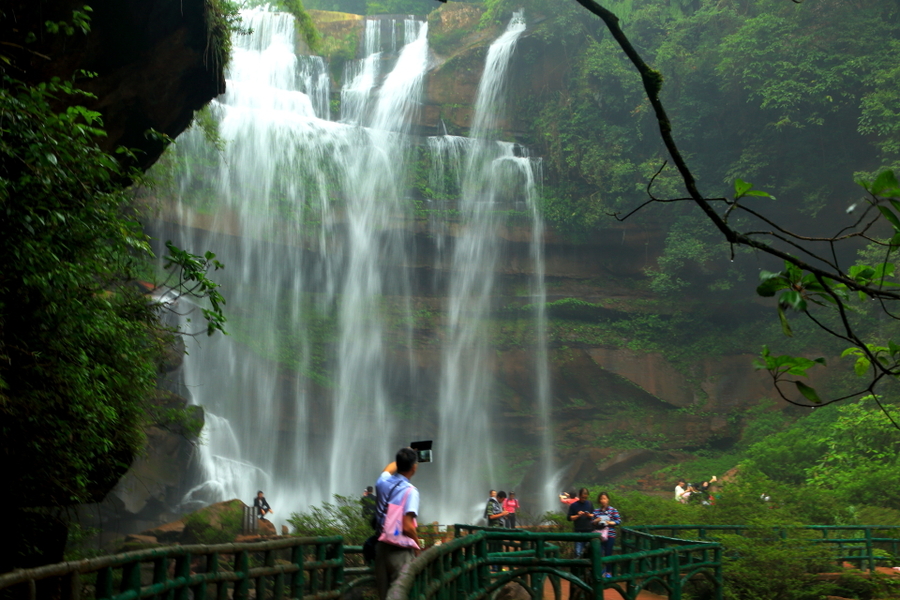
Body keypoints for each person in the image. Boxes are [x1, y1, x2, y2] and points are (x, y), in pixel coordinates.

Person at [374, 447, 420, 600]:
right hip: (399, 550)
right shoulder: (411, 491)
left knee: (383, 593)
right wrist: (418, 546)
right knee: (399, 592)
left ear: (398, 464)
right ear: (414, 467)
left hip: (380, 546)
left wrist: (405, 454)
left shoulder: (382, 482)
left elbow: (389, 468)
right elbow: (407, 527)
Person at [591, 492, 621, 578]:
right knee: (598, 553)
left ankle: (608, 572)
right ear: (599, 500)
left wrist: (609, 522)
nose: (603, 500)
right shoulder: (596, 511)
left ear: (608, 499)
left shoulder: (613, 510)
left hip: (610, 534)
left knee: (608, 553)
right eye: (601, 499)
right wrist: (596, 521)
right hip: (599, 535)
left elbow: (618, 521)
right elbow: (592, 522)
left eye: (604, 498)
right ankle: (599, 571)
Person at [567, 487, 594, 557]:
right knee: (578, 552)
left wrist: (588, 515)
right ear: (579, 495)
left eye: (585, 497)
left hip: (589, 531)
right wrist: (578, 515)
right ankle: (577, 566)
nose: (584, 499)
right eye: (582, 497)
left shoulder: (589, 504)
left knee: (589, 552)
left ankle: (588, 567)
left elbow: (594, 515)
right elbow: (569, 518)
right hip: (578, 532)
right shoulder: (574, 505)